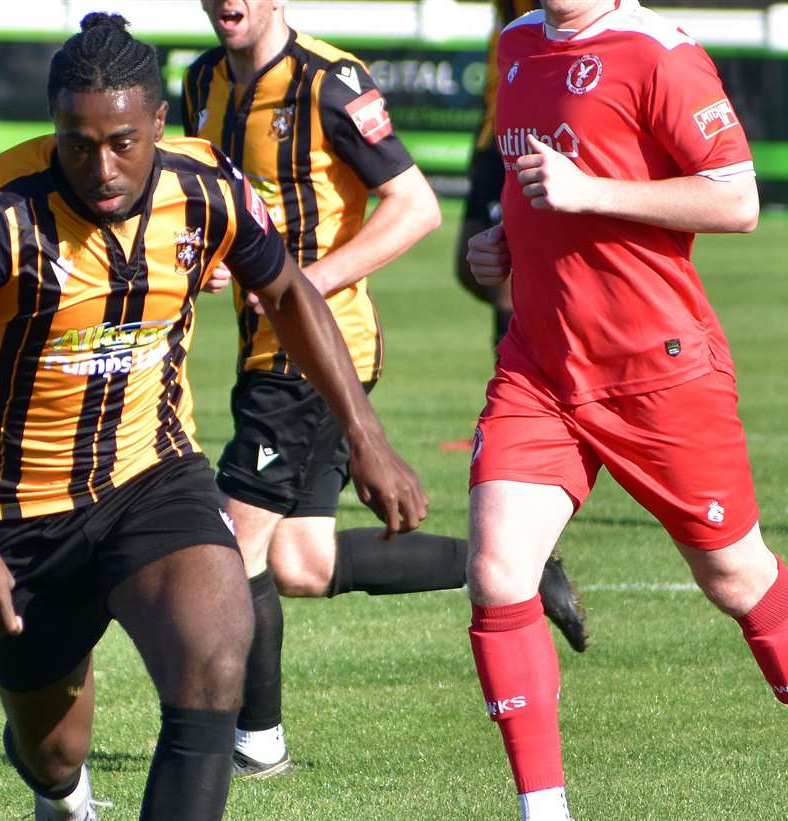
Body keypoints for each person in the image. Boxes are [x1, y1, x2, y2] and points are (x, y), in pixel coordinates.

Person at [0, 12, 426, 821]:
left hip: (150, 481)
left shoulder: (207, 186)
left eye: (123, 139)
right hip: (16, 520)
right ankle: (63, 806)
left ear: (155, 122)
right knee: (53, 745)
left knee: (216, 655)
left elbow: (291, 293)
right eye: (80, 140)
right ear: (55, 128)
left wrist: (364, 435)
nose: (104, 162)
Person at [461, 0, 788, 821]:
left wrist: (587, 193)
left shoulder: (660, 54)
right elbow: (525, 194)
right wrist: (500, 244)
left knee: (734, 578)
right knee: (497, 573)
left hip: (658, 369)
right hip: (540, 363)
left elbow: (738, 199)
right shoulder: (518, 44)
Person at [184, 0, 587, 780]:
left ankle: (255, 744)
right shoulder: (203, 81)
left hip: (317, 352)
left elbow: (416, 206)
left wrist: (305, 285)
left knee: (234, 546)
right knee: (297, 560)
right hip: (261, 347)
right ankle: (520, 567)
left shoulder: (329, 82)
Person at [454, 0, 538, 351]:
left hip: (527, 135)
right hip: (493, 136)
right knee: (469, 268)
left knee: (506, 266)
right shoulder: (507, 13)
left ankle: (513, 376)